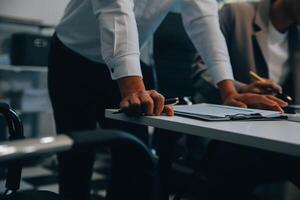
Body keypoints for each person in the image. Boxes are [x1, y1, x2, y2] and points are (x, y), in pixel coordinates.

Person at [48, 0, 288, 199]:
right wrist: (132, 86)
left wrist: (229, 91)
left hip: (132, 62)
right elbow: (115, 7)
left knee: (135, 161)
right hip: (73, 56)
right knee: (75, 161)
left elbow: (203, 20)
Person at [190, 0, 300, 199]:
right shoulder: (235, 13)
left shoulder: (296, 37)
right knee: (236, 163)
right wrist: (240, 90)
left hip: (273, 136)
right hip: (227, 133)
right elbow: (200, 71)